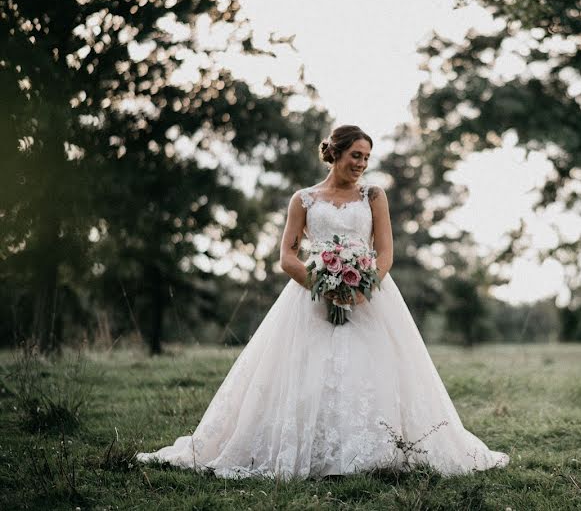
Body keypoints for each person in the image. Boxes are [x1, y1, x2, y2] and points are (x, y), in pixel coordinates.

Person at [135, 125, 510, 479]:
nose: (361, 164)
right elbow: (288, 256)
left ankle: (376, 453)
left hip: (371, 299)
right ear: (335, 153)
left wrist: (362, 288)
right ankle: (315, 453)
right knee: (308, 372)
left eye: (366, 157)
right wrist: (323, 285)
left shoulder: (374, 196)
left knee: (372, 370)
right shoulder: (304, 199)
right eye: (355, 155)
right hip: (311, 297)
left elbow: (385, 253)